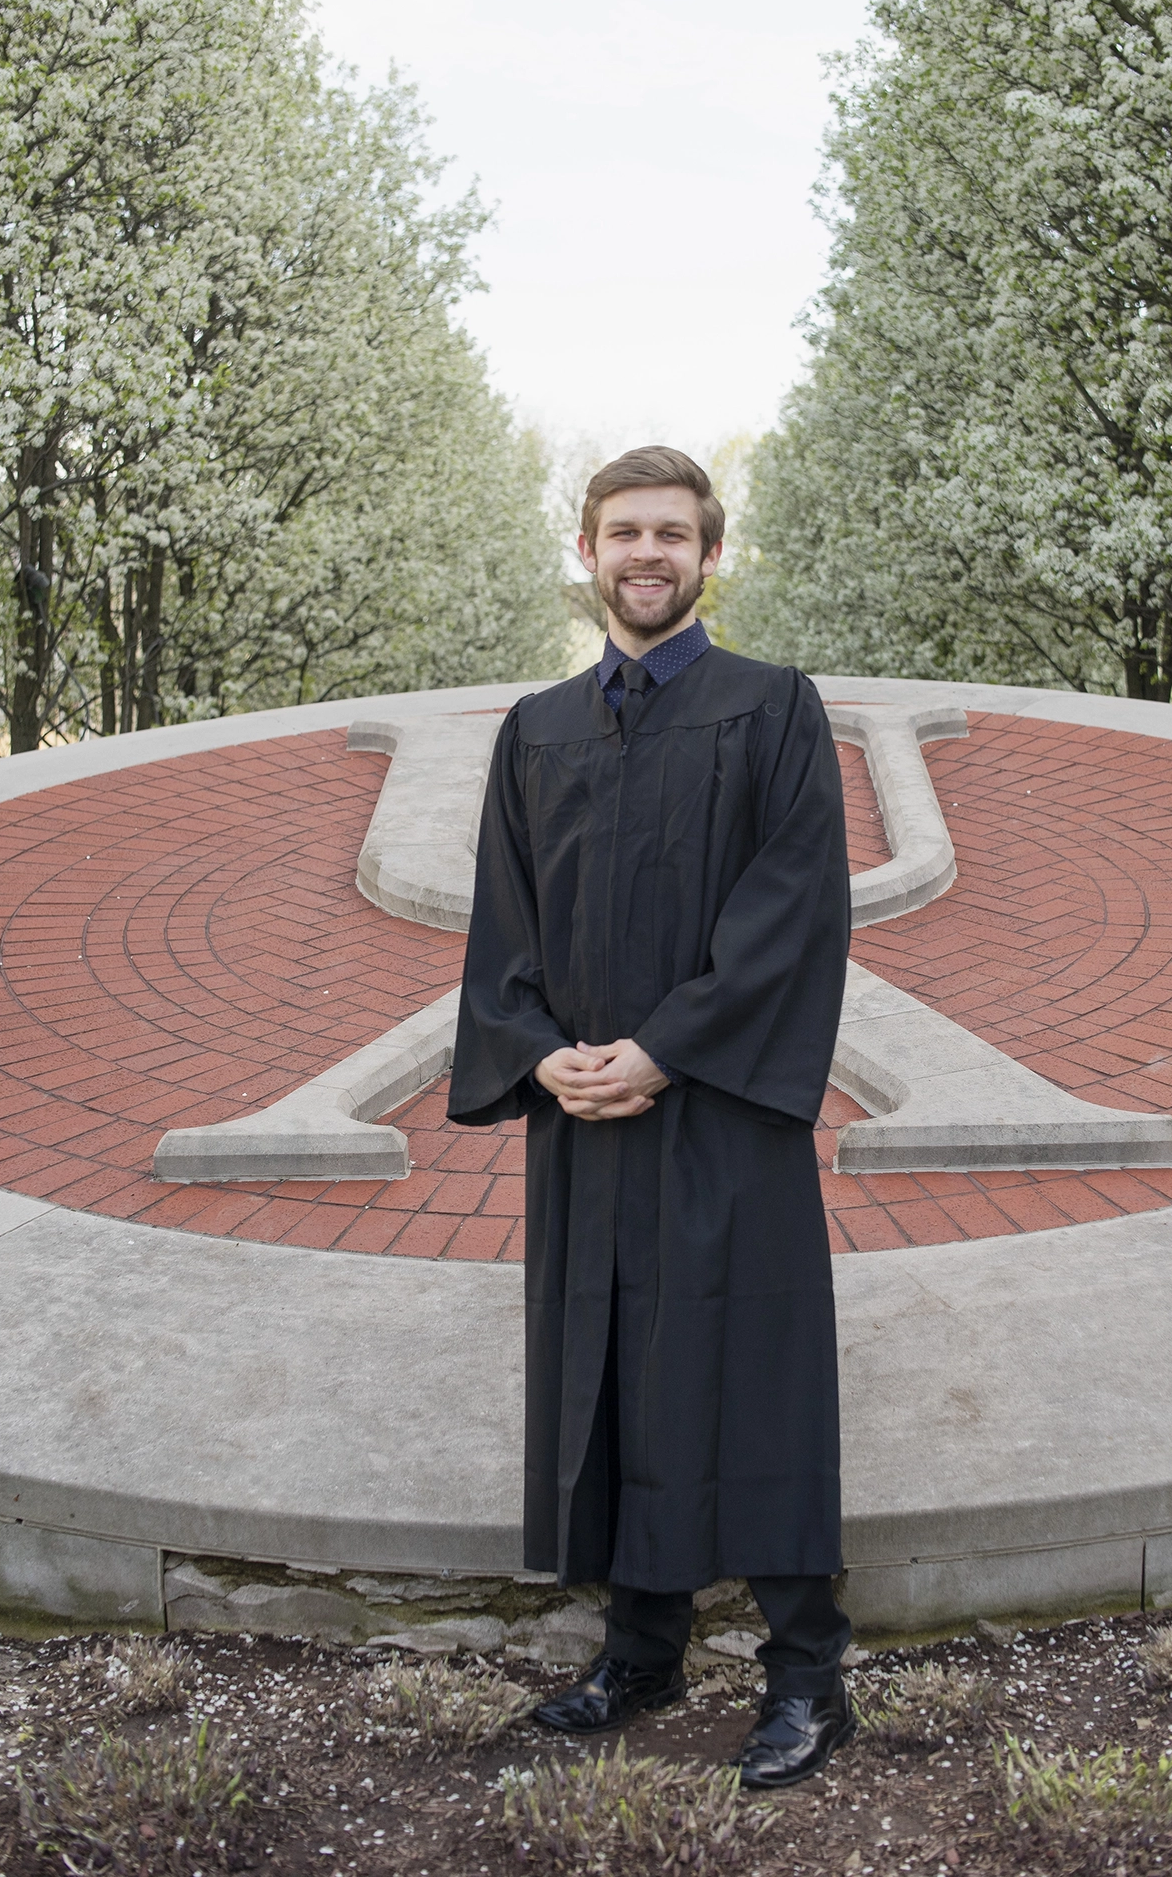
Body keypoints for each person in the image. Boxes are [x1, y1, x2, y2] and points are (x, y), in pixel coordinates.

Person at [447, 445, 853, 1787]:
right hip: (586, 1115)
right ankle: (642, 1646)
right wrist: (538, 1052)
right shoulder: (539, 729)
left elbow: (793, 907)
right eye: (624, 532)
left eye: (673, 534)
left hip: (720, 1110)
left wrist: (667, 1053)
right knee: (610, 1369)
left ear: (710, 554)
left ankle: (807, 1676)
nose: (647, 555)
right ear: (589, 549)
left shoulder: (774, 709)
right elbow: (503, 917)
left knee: (759, 1371)